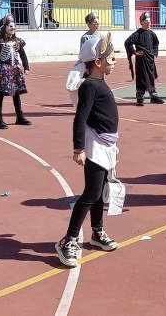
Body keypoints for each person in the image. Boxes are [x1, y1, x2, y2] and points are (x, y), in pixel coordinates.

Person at [56, 34, 121, 267]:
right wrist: (78, 149)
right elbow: (80, 119)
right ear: (98, 62)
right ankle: (68, 240)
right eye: (111, 59)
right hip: (93, 146)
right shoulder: (90, 86)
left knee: (99, 191)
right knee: (91, 193)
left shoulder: (99, 82)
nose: (115, 62)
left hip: (105, 145)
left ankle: (97, 232)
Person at [0, 15, 31, 129]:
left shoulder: (18, 41)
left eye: (14, 26)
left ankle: (19, 117)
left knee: (16, 94)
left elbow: (23, 55)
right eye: (10, 26)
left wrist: (26, 67)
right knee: (0, 94)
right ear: (4, 27)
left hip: (15, 70)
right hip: (3, 71)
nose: (13, 28)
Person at [125, 12, 163, 106]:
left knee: (151, 77)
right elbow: (128, 42)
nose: (148, 23)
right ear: (141, 22)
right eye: (146, 22)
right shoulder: (137, 34)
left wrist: (154, 52)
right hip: (141, 60)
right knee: (141, 77)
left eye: (149, 22)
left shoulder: (152, 34)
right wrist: (134, 52)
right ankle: (140, 96)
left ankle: (153, 96)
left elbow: (156, 43)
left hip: (150, 60)